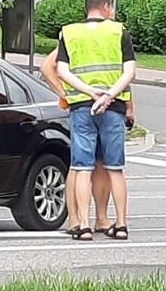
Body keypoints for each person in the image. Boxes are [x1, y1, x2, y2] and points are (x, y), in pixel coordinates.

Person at [55, 0, 136, 241]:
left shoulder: (69, 33)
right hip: (113, 107)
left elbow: (61, 71)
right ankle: (121, 224)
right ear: (106, 7)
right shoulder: (118, 31)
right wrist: (109, 95)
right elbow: (130, 72)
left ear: (87, 8)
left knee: (82, 167)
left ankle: (84, 226)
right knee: (115, 168)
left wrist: (89, 91)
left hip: (81, 105)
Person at [39, 49, 135, 234]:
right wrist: (66, 96)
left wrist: (129, 106)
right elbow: (47, 67)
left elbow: (121, 76)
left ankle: (100, 219)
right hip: (88, 105)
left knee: (98, 164)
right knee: (82, 166)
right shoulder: (79, 34)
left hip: (103, 106)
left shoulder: (108, 34)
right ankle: (76, 219)